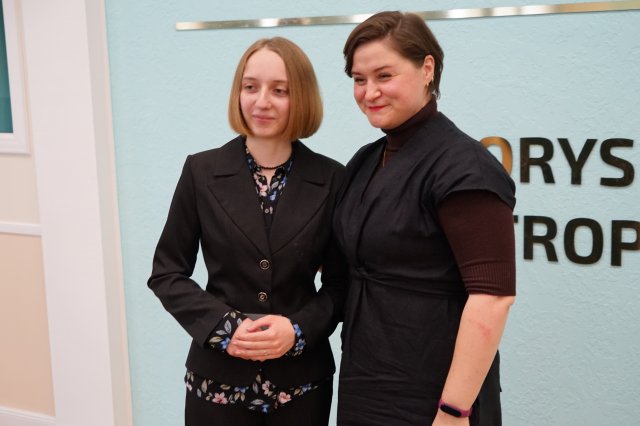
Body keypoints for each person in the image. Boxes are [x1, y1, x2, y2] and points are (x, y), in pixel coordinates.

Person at [148, 37, 347, 426]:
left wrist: (297, 329)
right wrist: (225, 327)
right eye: (250, 87)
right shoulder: (200, 172)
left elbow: (343, 284)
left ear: (302, 97)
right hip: (216, 379)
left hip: (302, 382)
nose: (262, 101)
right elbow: (166, 274)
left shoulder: (333, 179)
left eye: (280, 90)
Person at [334, 11, 516, 426]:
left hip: (438, 395)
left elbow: (493, 299)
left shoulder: (465, 167)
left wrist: (454, 412)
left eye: (384, 75)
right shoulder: (364, 162)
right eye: (359, 80)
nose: (369, 92)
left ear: (427, 69)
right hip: (367, 383)